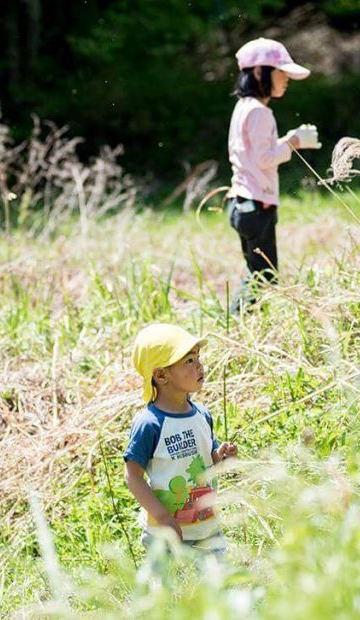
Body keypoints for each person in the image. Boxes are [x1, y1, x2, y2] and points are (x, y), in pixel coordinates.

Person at [124, 323, 237, 561]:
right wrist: (163, 518)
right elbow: (133, 476)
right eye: (188, 360)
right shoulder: (150, 423)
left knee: (216, 592)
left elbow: (207, 462)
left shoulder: (202, 415)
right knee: (168, 595)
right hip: (165, 535)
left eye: (198, 357)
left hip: (207, 529)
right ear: (161, 375)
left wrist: (221, 457)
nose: (199, 365)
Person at [227, 38, 321, 313]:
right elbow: (265, 158)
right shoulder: (260, 112)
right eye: (281, 73)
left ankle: (241, 322)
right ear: (259, 73)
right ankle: (238, 324)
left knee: (256, 270)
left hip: (242, 202)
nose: (286, 79)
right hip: (257, 205)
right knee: (264, 276)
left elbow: (254, 153)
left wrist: (288, 140)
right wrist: (293, 142)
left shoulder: (243, 107)